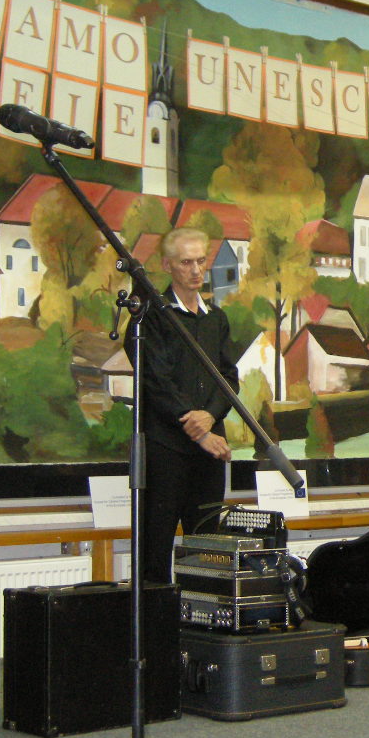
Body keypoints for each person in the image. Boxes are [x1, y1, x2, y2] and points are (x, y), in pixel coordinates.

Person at [126, 226, 238, 585]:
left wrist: (210, 416)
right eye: (186, 262)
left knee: (207, 552)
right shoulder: (152, 317)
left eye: (200, 261)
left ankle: (200, 616)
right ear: (167, 265)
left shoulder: (216, 319)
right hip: (166, 449)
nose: (195, 270)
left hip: (209, 452)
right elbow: (156, 382)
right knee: (155, 549)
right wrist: (198, 430)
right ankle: (156, 619)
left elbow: (228, 379)